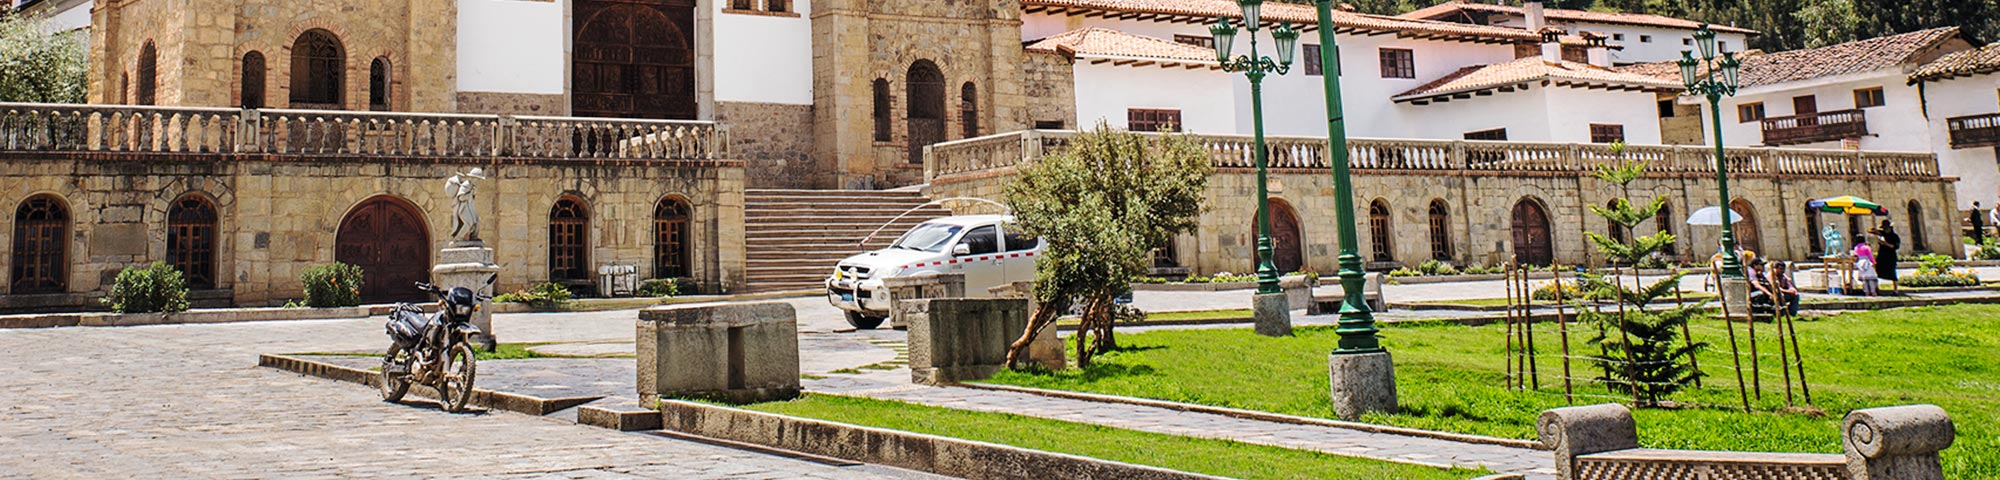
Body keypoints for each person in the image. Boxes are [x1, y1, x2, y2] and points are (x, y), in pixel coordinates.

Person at [1875, 220, 1901, 294]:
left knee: (1892, 273)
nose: (1885, 230)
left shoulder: (1895, 236)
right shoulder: (1882, 235)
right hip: (1882, 256)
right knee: (1878, 271)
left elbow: (1894, 246)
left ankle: (1895, 290)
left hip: (1890, 256)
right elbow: (1871, 230)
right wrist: (1876, 231)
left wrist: (1885, 243)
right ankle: (1877, 288)